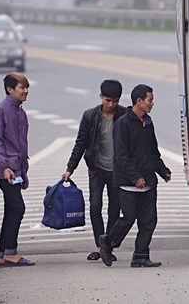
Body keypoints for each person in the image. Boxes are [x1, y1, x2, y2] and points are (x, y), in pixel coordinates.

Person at [99, 84, 171, 268]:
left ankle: (140, 255)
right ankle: (108, 242)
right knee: (128, 218)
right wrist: (135, 177)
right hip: (129, 183)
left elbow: (152, 151)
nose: (152, 104)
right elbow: (121, 156)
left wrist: (162, 171)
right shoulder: (123, 124)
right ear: (138, 101)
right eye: (150, 100)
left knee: (149, 220)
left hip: (148, 181)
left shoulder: (148, 122)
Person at [62, 79, 128, 262]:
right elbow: (80, 143)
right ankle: (99, 246)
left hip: (117, 171)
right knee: (95, 206)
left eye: (115, 100)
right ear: (100, 97)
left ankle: (107, 246)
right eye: (107, 100)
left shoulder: (124, 115)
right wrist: (70, 168)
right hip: (97, 169)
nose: (111, 104)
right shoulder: (89, 116)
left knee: (114, 210)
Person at [0, 72, 35, 267]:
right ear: (10, 89)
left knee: (11, 208)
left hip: (15, 170)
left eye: (26, 88)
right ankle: (10, 252)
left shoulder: (20, 112)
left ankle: (4, 253)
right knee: (17, 207)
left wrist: (23, 171)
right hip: (4, 170)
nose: (26, 91)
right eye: (22, 88)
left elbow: (21, 145)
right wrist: (5, 167)